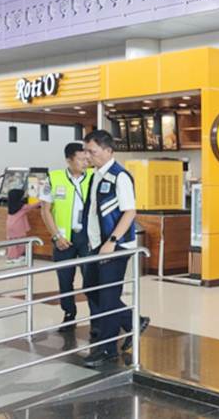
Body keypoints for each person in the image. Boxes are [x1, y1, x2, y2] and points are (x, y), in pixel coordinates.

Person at [81, 130, 149, 368]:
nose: (87, 156)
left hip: (115, 246)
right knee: (91, 289)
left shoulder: (120, 176)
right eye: (86, 151)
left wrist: (112, 241)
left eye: (92, 151)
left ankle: (107, 349)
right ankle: (132, 321)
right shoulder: (96, 176)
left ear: (108, 150)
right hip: (96, 245)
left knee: (109, 297)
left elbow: (130, 212)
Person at [39, 143, 94, 332]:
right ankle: (69, 314)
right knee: (64, 279)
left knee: (91, 278)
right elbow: (45, 211)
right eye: (81, 159)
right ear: (69, 160)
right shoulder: (53, 178)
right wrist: (56, 236)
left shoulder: (94, 177)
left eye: (87, 159)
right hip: (63, 238)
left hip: (87, 238)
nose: (85, 163)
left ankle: (96, 317)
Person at [5, 189, 40, 264]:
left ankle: (11, 256)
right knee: (20, 242)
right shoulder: (22, 207)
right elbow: (33, 206)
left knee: (12, 242)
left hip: (10, 226)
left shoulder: (11, 206)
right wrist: (42, 201)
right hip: (18, 227)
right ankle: (14, 257)